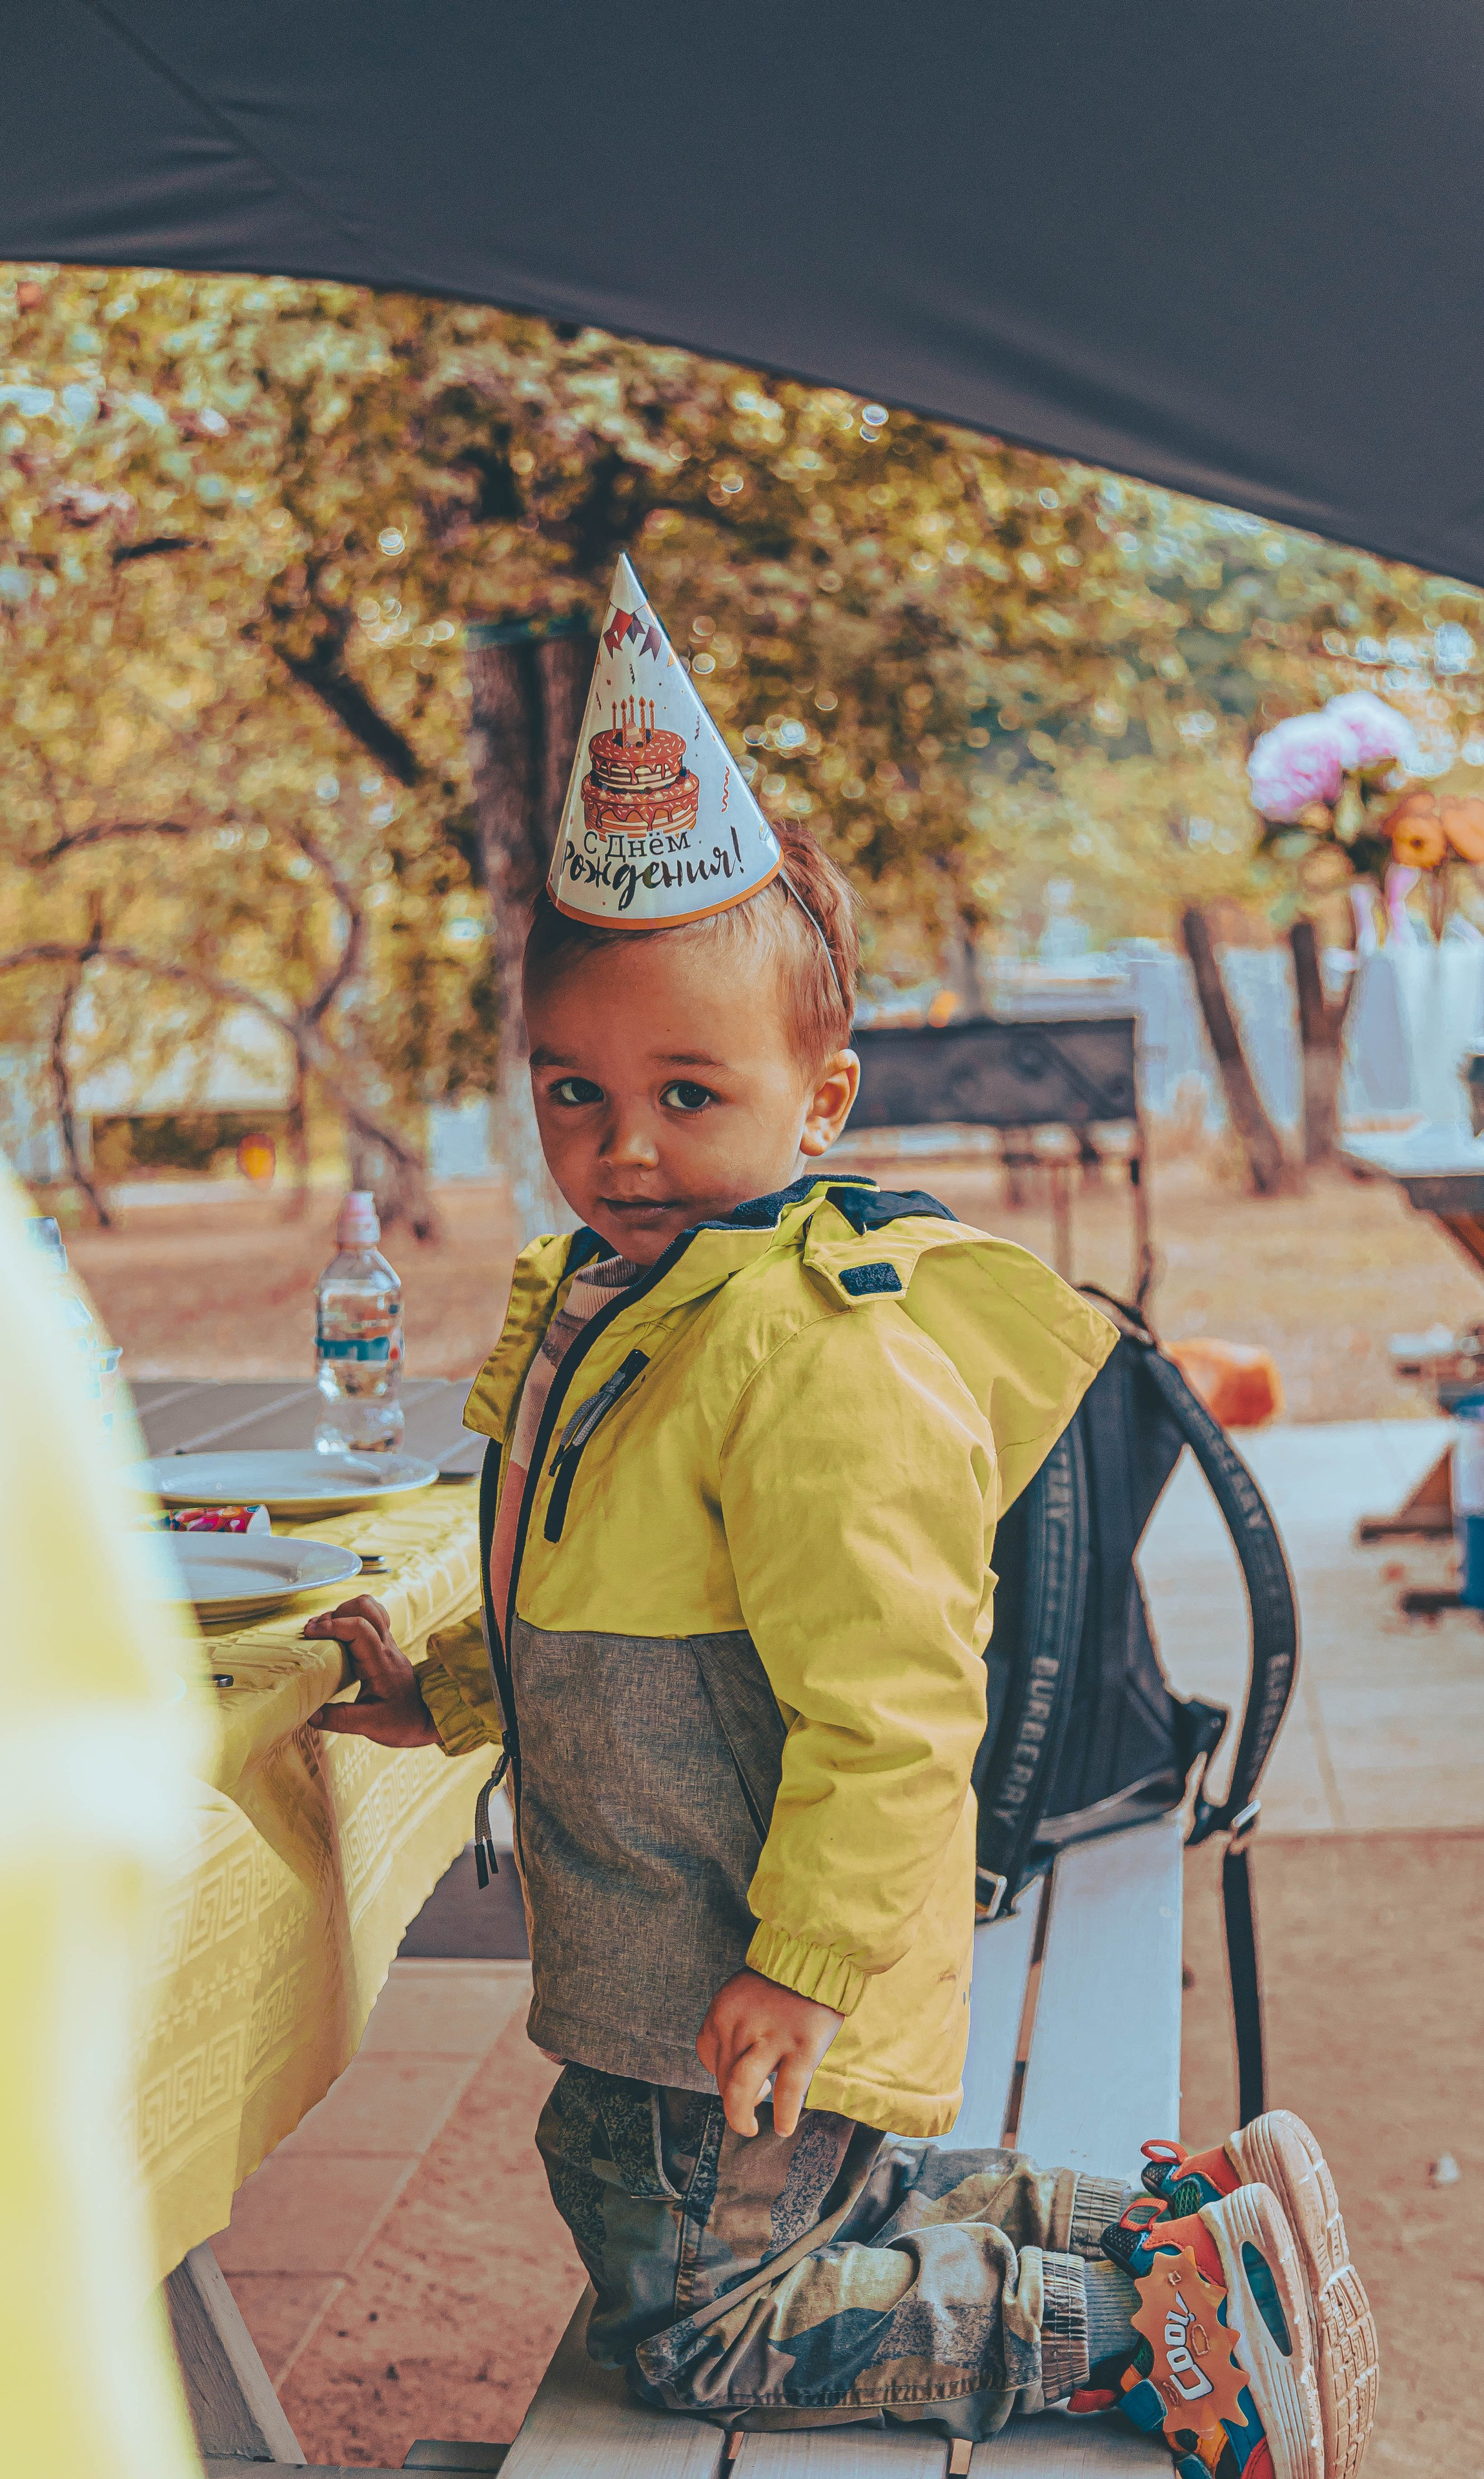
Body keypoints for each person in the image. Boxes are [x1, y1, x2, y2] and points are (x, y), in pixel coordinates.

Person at [304, 557, 1376, 2474]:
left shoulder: (801, 1353)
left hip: (728, 1979)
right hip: (694, 1974)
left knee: (709, 2322)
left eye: (687, 1093)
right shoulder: (632, 1302)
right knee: (816, 2220)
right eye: (574, 1091)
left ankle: (1158, 2323)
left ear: (823, 1101)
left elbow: (895, 1705)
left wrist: (800, 1960)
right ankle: (1180, 2228)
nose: (622, 1148)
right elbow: (586, 1590)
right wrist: (449, 1691)